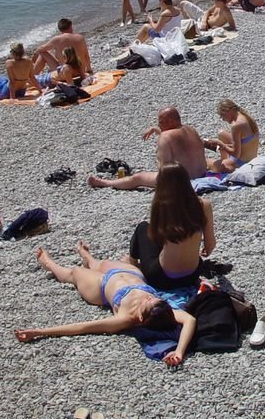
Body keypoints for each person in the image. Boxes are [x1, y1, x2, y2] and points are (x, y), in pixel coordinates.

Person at [14, 243, 196, 367]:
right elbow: (190, 320)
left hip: (102, 287)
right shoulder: (163, 310)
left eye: (147, 302)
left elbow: (83, 327)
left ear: (141, 317)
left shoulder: (125, 318)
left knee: (75, 272)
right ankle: (88, 258)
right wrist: (179, 351)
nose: (148, 298)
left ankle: (49, 264)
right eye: (153, 298)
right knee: (100, 264)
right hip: (130, 275)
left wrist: (39, 332)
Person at [127, 163, 215, 291]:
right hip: (192, 275)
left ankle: (132, 264)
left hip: (162, 278)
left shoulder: (162, 206)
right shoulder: (204, 205)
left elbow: (154, 236)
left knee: (143, 228)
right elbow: (210, 244)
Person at [88, 106, 208, 188]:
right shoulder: (191, 130)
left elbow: (164, 170)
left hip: (180, 181)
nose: (159, 125)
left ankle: (105, 183)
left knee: (138, 177)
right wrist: (157, 130)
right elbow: (178, 142)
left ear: (171, 121)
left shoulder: (165, 137)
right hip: (201, 174)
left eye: (161, 122)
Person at [204, 99, 260, 171]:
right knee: (221, 133)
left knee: (207, 162)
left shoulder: (236, 126)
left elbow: (236, 154)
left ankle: (225, 164)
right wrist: (225, 146)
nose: (223, 119)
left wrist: (221, 144)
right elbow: (246, 144)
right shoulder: (247, 117)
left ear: (228, 111)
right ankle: (224, 160)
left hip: (241, 164)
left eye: (222, 116)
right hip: (252, 158)